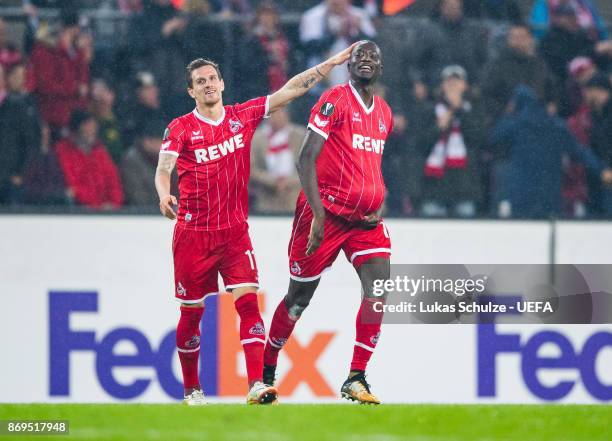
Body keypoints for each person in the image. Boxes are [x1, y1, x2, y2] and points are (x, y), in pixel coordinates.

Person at [154, 45, 355, 405]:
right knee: (191, 314)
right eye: (200, 82)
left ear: (222, 83)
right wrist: (163, 194)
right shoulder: (180, 127)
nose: (208, 85)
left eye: (212, 79)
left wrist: (330, 64)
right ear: (191, 91)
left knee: (248, 303)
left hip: (234, 232)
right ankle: (191, 390)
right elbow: (164, 168)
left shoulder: (241, 116)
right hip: (193, 234)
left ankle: (256, 384)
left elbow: (290, 90)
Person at [262, 40, 393, 404]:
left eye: (373, 56)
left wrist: (377, 196)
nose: (366, 60)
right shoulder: (334, 100)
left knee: (378, 290)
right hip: (324, 214)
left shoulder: (384, 112)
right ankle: (266, 370)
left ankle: (356, 377)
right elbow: (305, 159)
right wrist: (318, 214)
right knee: (298, 300)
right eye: (358, 55)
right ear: (347, 66)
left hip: (365, 222)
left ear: (381, 68)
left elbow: (370, 165)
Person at [489, 85, 612, 218]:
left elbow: (493, 138)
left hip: (522, 191)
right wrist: (601, 169)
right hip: (550, 192)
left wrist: (508, 116)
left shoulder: (515, 125)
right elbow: (579, 151)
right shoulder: (556, 125)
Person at [418, 65, 484, 217]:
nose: (453, 85)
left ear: (465, 86)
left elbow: (478, 139)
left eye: (457, 81)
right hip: (435, 185)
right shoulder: (429, 110)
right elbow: (420, 145)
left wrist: (459, 109)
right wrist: (439, 127)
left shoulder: (474, 110)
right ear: (442, 86)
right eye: (449, 82)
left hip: (465, 185)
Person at [28, 11, 89, 136]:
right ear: (73, 29)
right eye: (78, 29)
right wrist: (76, 88)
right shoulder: (44, 49)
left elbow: (83, 81)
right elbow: (47, 86)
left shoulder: (76, 50)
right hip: (54, 116)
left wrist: (80, 54)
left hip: (75, 115)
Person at [481, 23, 558, 121]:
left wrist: (552, 105)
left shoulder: (540, 64)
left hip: (538, 120)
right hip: (508, 123)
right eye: (514, 37)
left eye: (522, 37)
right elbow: (486, 94)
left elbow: (552, 89)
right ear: (508, 40)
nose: (518, 42)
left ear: (530, 39)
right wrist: (503, 110)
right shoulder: (498, 65)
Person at [55, 110, 124, 210]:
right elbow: (72, 188)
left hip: (106, 212)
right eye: (87, 126)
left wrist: (113, 204)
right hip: (79, 212)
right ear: (76, 128)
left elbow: (114, 184)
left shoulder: (100, 152)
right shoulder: (62, 152)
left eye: (93, 126)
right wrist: (95, 205)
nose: (92, 130)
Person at [250, 107, 305, 214]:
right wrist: (273, 181)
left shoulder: (300, 136)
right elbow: (251, 168)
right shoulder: (256, 138)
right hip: (266, 198)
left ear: (287, 115)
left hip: (294, 197)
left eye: (280, 113)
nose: (277, 118)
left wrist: (288, 181)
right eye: (273, 114)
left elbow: (310, 168)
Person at [121, 120, 175, 206]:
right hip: (143, 215)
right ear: (146, 141)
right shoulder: (132, 160)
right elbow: (136, 195)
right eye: (160, 140)